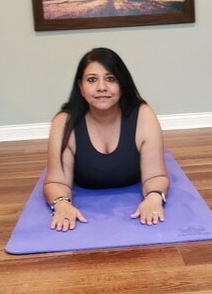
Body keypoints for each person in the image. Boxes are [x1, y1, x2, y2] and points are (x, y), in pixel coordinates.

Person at [44, 47, 169, 232]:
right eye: (92, 80)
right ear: (81, 87)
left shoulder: (144, 115)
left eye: (110, 79)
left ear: (122, 85)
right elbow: (57, 182)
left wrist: (154, 197)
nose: (102, 87)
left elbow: (156, 176)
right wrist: (61, 204)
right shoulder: (64, 122)